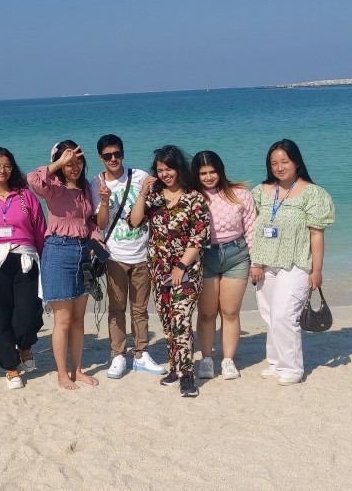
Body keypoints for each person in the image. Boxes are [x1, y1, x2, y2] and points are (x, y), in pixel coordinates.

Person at [250, 139, 335, 385]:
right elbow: (249, 226)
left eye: (284, 161)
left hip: (296, 263)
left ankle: (292, 368)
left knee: (285, 315)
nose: (279, 167)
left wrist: (317, 270)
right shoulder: (261, 191)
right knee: (269, 314)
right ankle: (275, 363)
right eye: (274, 163)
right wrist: (255, 262)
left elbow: (317, 234)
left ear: (296, 163)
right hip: (265, 263)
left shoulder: (313, 194)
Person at [129, 145, 210, 397]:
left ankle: (187, 375)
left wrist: (181, 266)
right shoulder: (154, 197)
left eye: (169, 169)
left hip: (186, 270)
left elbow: (198, 238)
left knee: (181, 319)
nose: (165, 174)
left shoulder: (194, 198)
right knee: (167, 320)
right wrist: (142, 194)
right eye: (160, 170)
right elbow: (134, 221)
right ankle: (174, 366)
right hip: (158, 269)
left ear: (179, 168)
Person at [28, 140, 101, 390]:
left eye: (78, 161)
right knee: (64, 320)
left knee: (80, 318)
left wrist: (97, 244)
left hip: (83, 252)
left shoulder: (84, 190)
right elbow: (33, 179)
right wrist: (58, 163)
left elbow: (89, 221)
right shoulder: (54, 188)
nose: (75, 167)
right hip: (59, 252)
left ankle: (77, 369)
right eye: (69, 163)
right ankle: (62, 374)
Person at [0, 147, 46, 390]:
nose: (2, 170)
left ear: (12, 168)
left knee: (28, 312)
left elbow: (39, 227)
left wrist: (44, 257)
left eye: (6, 165)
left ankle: (25, 345)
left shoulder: (26, 195)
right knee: (1, 314)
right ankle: (11, 367)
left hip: (25, 257)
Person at [94, 134, 166, 379]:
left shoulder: (140, 178)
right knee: (116, 308)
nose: (113, 159)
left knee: (140, 309)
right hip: (114, 256)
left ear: (123, 153)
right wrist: (104, 201)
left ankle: (141, 353)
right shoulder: (97, 184)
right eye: (107, 156)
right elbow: (101, 223)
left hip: (142, 254)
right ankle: (117, 355)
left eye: (117, 154)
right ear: (100, 158)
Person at [191, 150, 257, 380]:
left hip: (236, 255)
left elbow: (251, 228)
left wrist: (255, 261)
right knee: (207, 313)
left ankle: (228, 360)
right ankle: (207, 359)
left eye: (213, 172)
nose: (209, 177)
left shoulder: (240, 194)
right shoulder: (192, 196)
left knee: (230, 311)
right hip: (205, 256)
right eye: (203, 173)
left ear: (220, 171)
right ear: (196, 175)